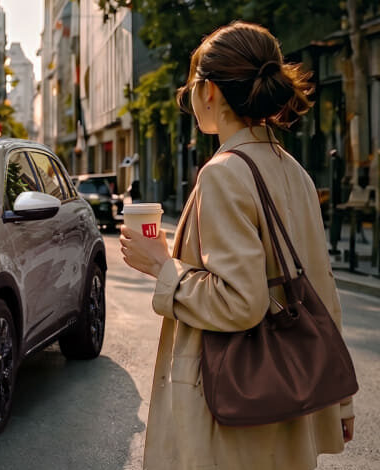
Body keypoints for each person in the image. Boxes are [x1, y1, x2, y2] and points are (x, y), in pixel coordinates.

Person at [119, 21, 355, 470]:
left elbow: (240, 301)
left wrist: (162, 268)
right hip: (288, 402)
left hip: (232, 415)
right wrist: (338, 400)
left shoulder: (224, 172)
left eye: (191, 85)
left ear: (209, 91)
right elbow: (322, 289)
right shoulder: (294, 171)